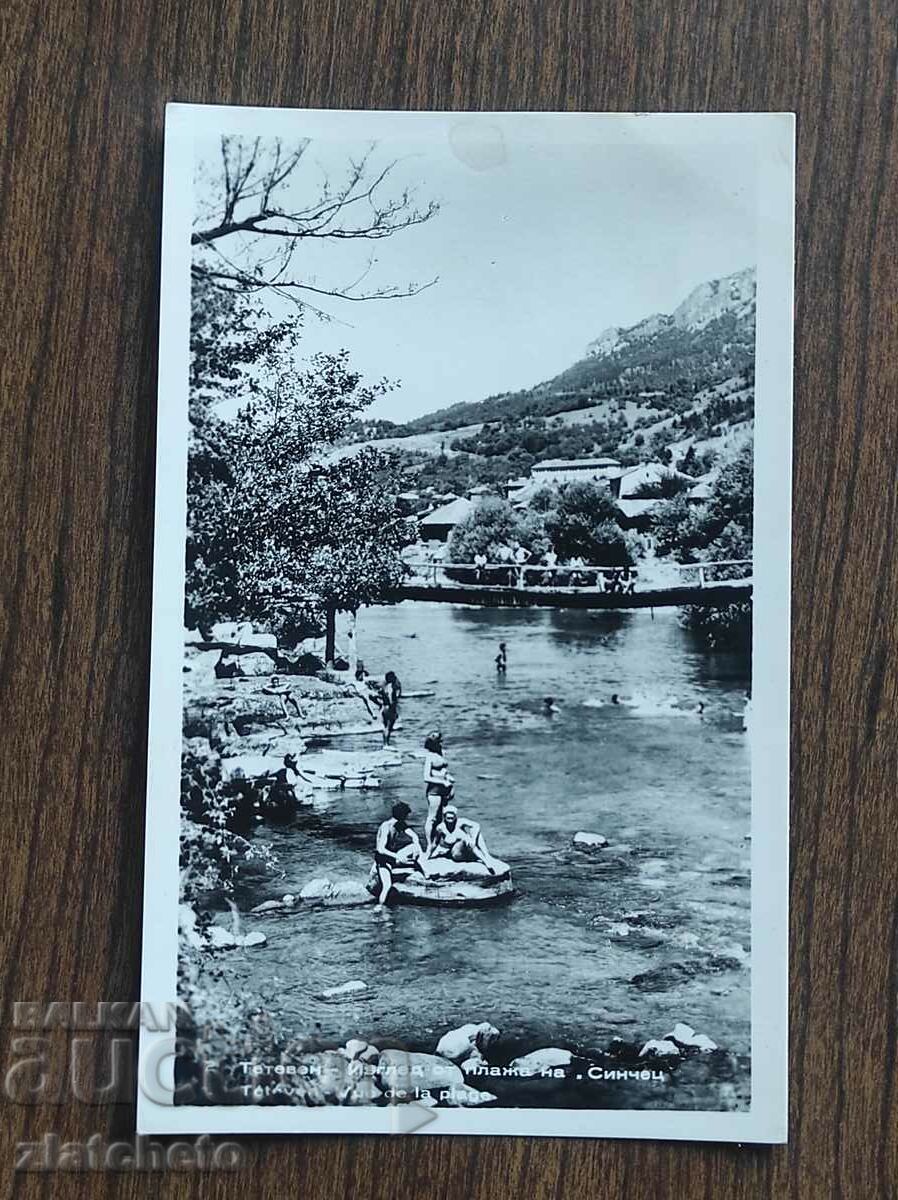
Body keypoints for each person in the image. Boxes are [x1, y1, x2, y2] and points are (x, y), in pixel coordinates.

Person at [374, 802, 424, 905]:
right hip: (383, 860)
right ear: (402, 816)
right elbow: (381, 849)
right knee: (387, 885)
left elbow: (414, 836)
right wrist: (398, 857)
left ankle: (425, 871)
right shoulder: (386, 826)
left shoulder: (400, 824)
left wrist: (416, 849)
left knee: (415, 846)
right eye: (406, 816)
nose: (406, 819)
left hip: (393, 857)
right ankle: (380, 907)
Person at [428, 805, 496, 873]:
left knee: (476, 833)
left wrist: (473, 840)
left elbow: (476, 825)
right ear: (444, 817)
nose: (450, 820)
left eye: (452, 818)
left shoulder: (460, 822)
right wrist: (429, 856)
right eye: (448, 818)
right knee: (466, 839)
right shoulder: (440, 828)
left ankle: (486, 856)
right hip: (457, 855)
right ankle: (485, 861)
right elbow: (435, 843)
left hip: (468, 850)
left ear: (455, 817)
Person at [423, 731, 454, 849]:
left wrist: (448, 777)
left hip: (445, 790)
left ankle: (437, 843)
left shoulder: (441, 753)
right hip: (434, 791)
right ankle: (429, 845)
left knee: (441, 818)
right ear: (433, 743)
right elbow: (426, 777)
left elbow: (444, 770)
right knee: (432, 818)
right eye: (439, 741)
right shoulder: (429, 757)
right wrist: (442, 781)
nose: (441, 743)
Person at [379, 670, 402, 746]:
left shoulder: (384, 686)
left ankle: (385, 743)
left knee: (386, 727)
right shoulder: (393, 687)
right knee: (389, 727)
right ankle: (386, 744)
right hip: (390, 708)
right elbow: (394, 698)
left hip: (384, 707)